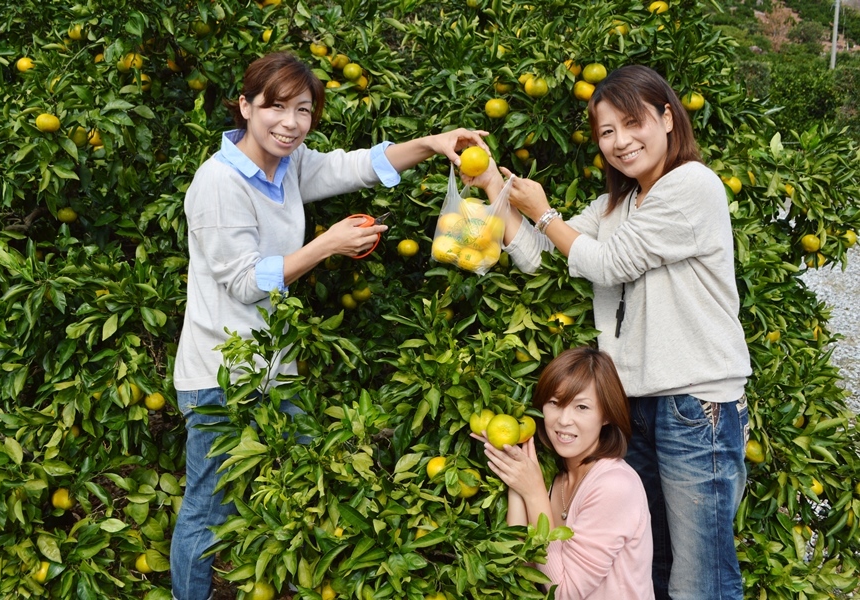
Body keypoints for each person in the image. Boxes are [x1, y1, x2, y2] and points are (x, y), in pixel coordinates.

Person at [170, 51, 489, 600]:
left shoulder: (287, 165)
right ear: (245, 107)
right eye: (275, 107)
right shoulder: (219, 182)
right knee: (208, 508)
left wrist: (431, 143)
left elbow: (355, 165)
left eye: (303, 110)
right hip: (221, 376)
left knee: (314, 475)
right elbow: (244, 281)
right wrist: (326, 245)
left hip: (275, 367)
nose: (290, 123)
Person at [467, 65, 751, 600]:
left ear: (668, 118)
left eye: (632, 123)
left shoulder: (692, 185)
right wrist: (494, 188)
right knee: (654, 563)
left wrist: (543, 211)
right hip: (635, 403)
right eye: (606, 131)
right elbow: (537, 253)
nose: (620, 141)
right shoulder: (616, 205)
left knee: (702, 579)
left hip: (696, 404)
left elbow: (607, 263)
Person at [475, 347, 653, 599]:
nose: (564, 420)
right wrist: (517, 479)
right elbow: (522, 565)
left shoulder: (615, 485)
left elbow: (564, 593)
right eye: (555, 403)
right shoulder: (557, 477)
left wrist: (534, 493)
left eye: (581, 407)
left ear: (606, 415)